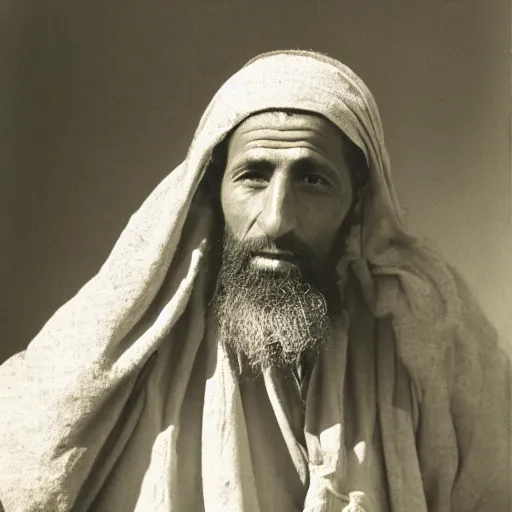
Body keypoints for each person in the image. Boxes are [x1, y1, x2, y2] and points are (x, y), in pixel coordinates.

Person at [0, 50, 510, 512]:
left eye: (313, 180)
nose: (276, 220)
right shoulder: (127, 363)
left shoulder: (427, 355)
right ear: (212, 189)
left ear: (356, 201)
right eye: (254, 176)